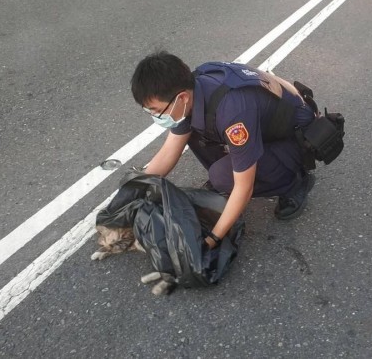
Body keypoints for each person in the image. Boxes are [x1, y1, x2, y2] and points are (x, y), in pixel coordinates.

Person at [131, 51, 317, 249]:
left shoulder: (232, 111)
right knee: (193, 131)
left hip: (294, 139)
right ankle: (240, 175)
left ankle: (293, 182)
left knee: (223, 177)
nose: (155, 116)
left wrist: (212, 239)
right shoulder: (191, 91)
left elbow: (244, 187)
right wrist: (131, 193)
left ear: (182, 98)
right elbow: (170, 150)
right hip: (265, 129)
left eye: (157, 110)